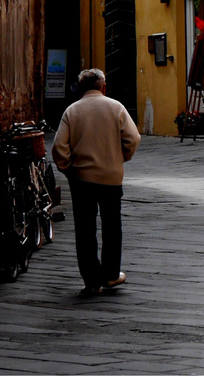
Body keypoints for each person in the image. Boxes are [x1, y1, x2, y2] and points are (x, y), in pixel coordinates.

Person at [52, 68, 141, 297]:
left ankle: (91, 280)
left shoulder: (72, 111)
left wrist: (69, 169)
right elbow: (133, 139)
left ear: (81, 88)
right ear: (103, 86)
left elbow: (59, 148)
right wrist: (120, 158)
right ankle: (111, 275)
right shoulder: (116, 107)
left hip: (82, 179)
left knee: (85, 230)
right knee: (112, 226)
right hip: (111, 177)